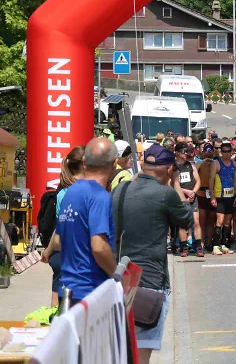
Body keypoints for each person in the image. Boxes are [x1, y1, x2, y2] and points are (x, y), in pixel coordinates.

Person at [111, 143, 193, 364]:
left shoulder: (120, 188)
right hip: (150, 282)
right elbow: (187, 219)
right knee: (141, 353)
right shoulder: (166, 194)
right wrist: (176, 184)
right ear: (169, 170)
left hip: (119, 278)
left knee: (121, 350)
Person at [46, 138, 117, 306]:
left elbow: (58, 241)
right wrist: (118, 275)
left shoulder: (69, 192)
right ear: (114, 164)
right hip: (91, 292)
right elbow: (99, 247)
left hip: (67, 289)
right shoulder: (100, 197)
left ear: (84, 161)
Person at [41, 146, 85, 308]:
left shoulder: (62, 193)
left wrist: (48, 251)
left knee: (57, 297)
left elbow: (59, 227)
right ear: (85, 164)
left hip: (60, 253)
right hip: (75, 255)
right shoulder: (85, 192)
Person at [172, 142, 202, 257]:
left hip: (192, 197)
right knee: (182, 224)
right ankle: (184, 247)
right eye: (184, 151)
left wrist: (193, 192)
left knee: (196, 221)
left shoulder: (191, 165)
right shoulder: (173, 166)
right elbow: (172, 183)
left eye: (187, 151)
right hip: (180, 198)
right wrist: (185, 192)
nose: (187, 154)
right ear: (177, 153)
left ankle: (199, 246)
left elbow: (198, 180)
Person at [209, 141, 236, 255]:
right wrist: (212, 196)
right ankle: (215, 245)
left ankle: (224, 244)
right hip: (220, 196)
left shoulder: (234, 164)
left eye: (228, 151)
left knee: (227, 221)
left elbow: (235, 180)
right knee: (219, 221)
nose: (226, 154)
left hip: (230, 196)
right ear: (221, 152)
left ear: (231, 152)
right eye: (224, 151)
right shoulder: (216, 163)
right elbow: (211, 180)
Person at [196, 145, 217, 254]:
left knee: (211, 221)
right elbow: (195, 170)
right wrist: (204, 161)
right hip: (202, 193)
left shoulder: (216, 163)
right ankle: (201, 243)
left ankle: (209, 243)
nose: (209, 153)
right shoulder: (200, 162)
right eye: (206, 151)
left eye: (210, 151)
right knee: (202, 221)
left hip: (213, 193)